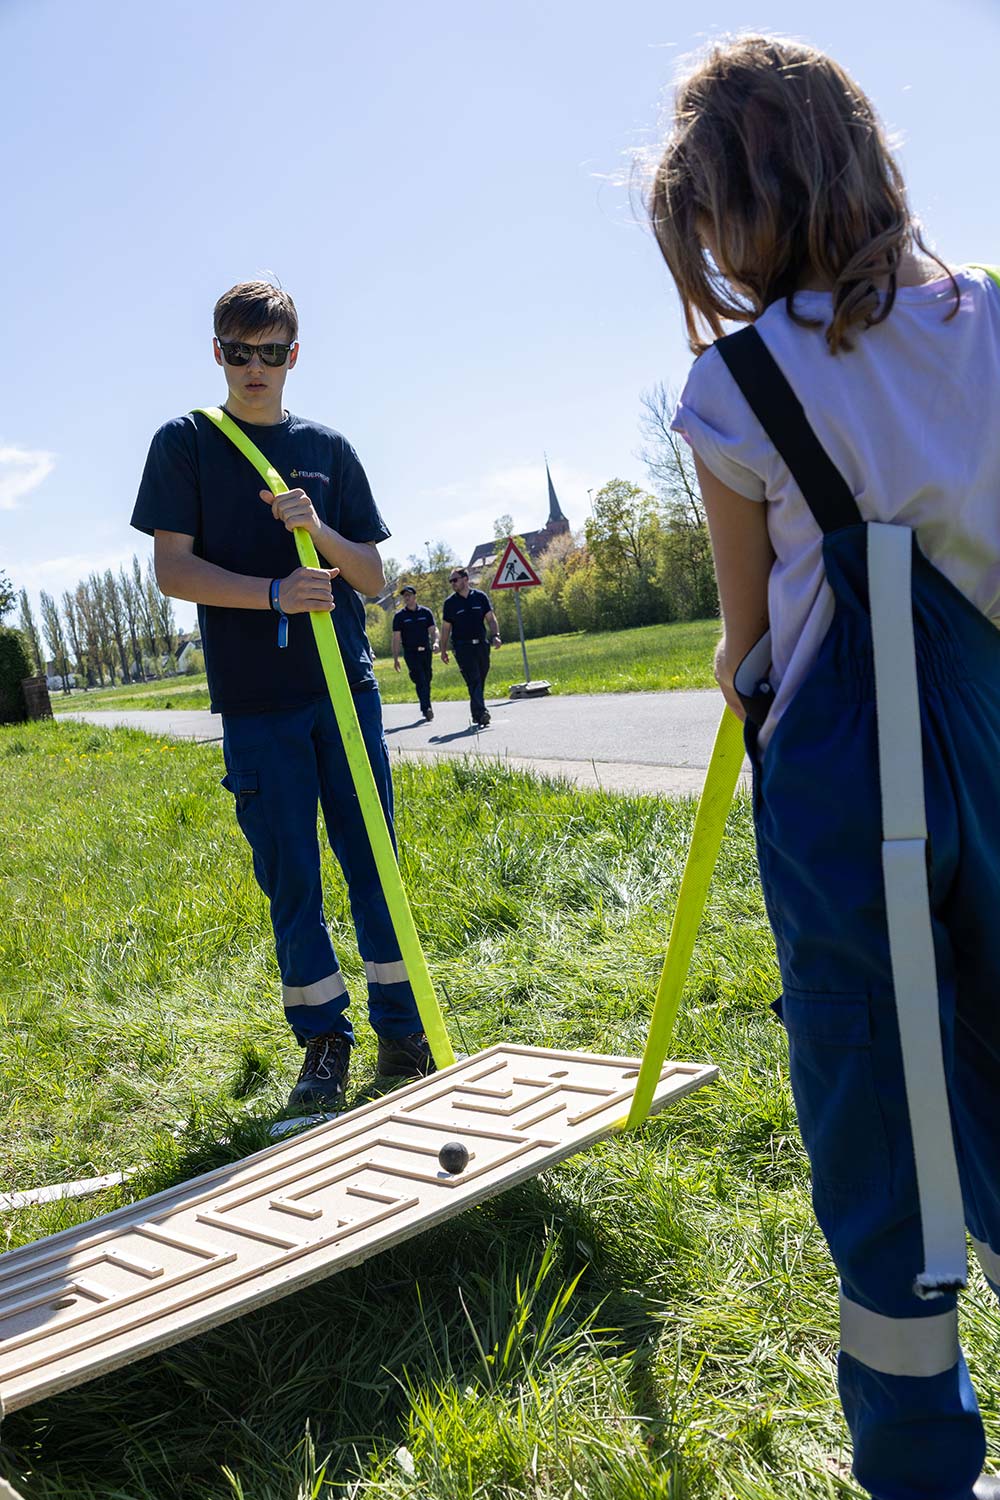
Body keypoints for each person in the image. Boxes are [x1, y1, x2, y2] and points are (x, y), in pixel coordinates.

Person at [651, 36, 1000, 1500]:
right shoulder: (990, 326)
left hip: (853, 803)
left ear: (731, 212)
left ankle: (923, 1467)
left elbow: (749, 647)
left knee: (878, 1107)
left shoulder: (738, 388)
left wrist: (746, 671)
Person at [131, 280, 434, 1116]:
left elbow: (371, 578)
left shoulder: (328, 449)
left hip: (346, 695)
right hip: (259, 703)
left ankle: (403, 1035)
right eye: (239, 351)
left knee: (376, 862)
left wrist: (322, 529)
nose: (255, 367)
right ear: (218, 353)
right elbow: (171, 570)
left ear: (293, 356)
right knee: (292, 875)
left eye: (271, 353)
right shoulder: (186, 443)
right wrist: (273, 593)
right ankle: (324, 1044)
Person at [439, 568, 501, 726]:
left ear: (465, 579)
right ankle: (482, 713)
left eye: (455, 580)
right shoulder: (450, 603)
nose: (452, 583)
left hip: (481, 645)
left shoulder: (480, 597)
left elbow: (491, 619)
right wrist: (443, 650)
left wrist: (496, 636)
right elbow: (446, 629)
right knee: (473, 679)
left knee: (480, 678)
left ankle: (476, 714)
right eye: (451, 581)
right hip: (462, 648)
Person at [391, 584, 439, 720]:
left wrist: (436, 642)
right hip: (411, 653)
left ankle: (426, 705)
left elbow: (433, 630)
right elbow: (396, 638)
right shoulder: (400, 616)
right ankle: (426, 708)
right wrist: (395, 658)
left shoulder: (425, 613)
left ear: (414, 596)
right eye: (404, 596)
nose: (407, 598)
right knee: (420, 679)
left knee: (427, 678)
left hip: (426, 651)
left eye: (409, 595)